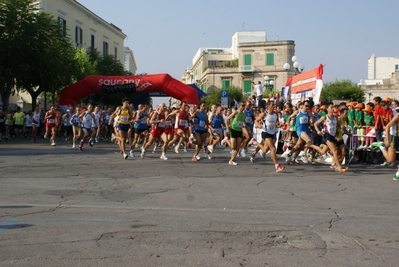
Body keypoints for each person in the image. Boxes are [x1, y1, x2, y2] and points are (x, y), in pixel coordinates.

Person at [310, 103, 348, 173]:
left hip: (332, 136)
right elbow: (315, 124)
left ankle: (310, 145)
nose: (333, 108)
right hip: (326, 136)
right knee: (335, 151)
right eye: (331, 107)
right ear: (327, 109)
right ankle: (339, 167)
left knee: (323, 151)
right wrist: (318, 131)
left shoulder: (335, 117)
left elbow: (339, 126)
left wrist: (343, 131)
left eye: (333, 107)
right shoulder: (325, 117)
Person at [249, 101, 285, 172]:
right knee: (273, 149)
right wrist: (259, 125)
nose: (273, 106)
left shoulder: (276, 114)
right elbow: (256, 121)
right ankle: (277, 165)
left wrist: (280, 125)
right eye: (272, 105)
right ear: (267, 106)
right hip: (265, 133)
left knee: (265, 150)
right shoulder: (264, 114)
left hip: (272, 133)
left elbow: (276, 124)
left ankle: (255, 142)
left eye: (274, 105)